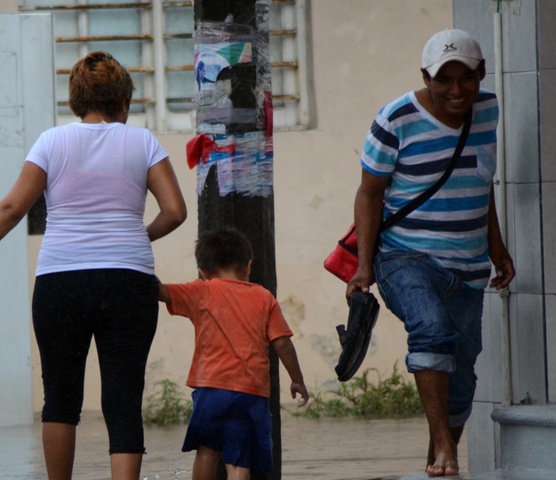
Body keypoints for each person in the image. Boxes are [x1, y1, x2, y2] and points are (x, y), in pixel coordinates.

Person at [0, 51, 187, 480]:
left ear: (76, 100)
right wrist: (132, 238)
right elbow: (175, 211)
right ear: (123, 102)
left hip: (60, 283)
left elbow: (13, 207)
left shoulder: (51, 142)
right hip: (128, 283)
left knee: (60, 397)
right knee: (123, 398)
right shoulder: (143, 142)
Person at [346, 29, 515, 477]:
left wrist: (496, 247)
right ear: (426, 76)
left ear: (481, 74)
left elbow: (481, 184)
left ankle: (437, 456)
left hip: (468, 266)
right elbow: (368, 194)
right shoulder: (395, 118)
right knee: (431, 328)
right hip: (404, 257)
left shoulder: (490, 110)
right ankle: (445, 449)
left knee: (462, 377)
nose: (456, 90)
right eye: (445, 79)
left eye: (467, 78)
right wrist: (364, 267)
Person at [158, 228, 309, 480]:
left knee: (207, 451)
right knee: (239, 461)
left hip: (211, 389)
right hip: (251, 392)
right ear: (248, 266)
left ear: (203, 271)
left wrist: (134, 261)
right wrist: (297, 379)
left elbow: (161, 292)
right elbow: (282, 343)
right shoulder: (264, 297)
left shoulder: (201, 290)